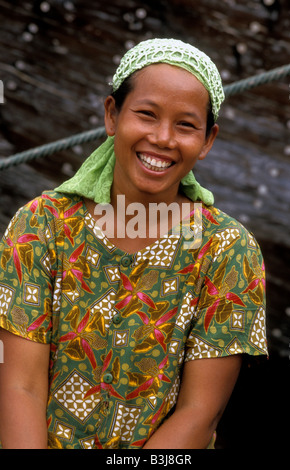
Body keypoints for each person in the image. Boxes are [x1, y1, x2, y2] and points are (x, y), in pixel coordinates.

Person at [0, 38, 267, 449]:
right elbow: (21, 387)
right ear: (112, 114)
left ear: (208, 140)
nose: (162, 138)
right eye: (146, 114)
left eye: (185, 125)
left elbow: (200, 413)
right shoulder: (42, 226)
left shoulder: (227, 250)